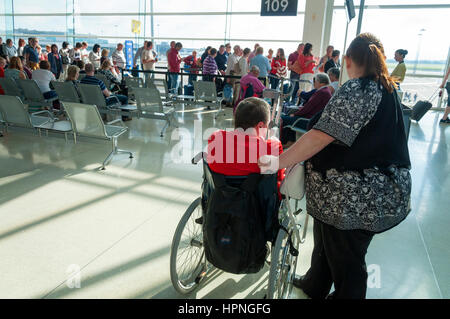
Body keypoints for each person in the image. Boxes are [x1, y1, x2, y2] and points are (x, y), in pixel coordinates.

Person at [259, 33, 412, 299]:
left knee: (347, 260)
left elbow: (320, 136)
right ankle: (314, 284)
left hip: (353, 197)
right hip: (365, 192)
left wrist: (278, 162)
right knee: (326, 243)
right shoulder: (386, 89)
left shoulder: (360, 89)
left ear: (349, 60)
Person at [207, 97, 283, 189]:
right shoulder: (272, 147)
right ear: (260, 126)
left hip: (219, 199)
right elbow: (279, 180)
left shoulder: (215, 138)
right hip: (257, 201)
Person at [280, 73, 332, 146]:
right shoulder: (326, 91)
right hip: (311, 119)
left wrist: (295, 114)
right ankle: (289, 141)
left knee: (282, 118)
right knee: (288, 117)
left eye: (315, 81)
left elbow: (308, 107)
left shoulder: (321, 92)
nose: (314, 83)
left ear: (321, 83)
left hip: (308, 121)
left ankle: (282, 142)